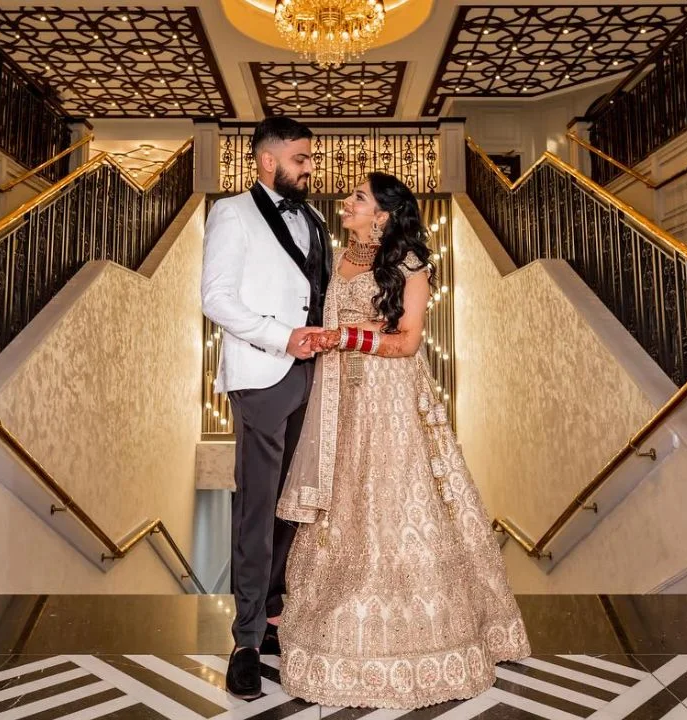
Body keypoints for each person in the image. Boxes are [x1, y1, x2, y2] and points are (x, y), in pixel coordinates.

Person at [275, 172, 530, 709]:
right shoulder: (337, 256)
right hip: (341, 396)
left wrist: (344, 337)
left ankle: (422, 635)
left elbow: (409, 341)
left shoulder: (410, 263)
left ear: (383, 215)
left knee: (394, 499)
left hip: (389, 396)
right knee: (345, 497)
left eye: (359, 198)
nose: (347, 201)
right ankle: (332, 620)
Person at [200, 116, 332, 700]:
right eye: (301, 158)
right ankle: (246, 640)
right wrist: (283, 338)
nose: (309, 167)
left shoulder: (317, 220)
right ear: (266, 160)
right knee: (256, 510)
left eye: (309, 158)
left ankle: (275, 616)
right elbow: (216, 300)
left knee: (294, 506)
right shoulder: (231, 213)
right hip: (263, 377)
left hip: (315, 378)